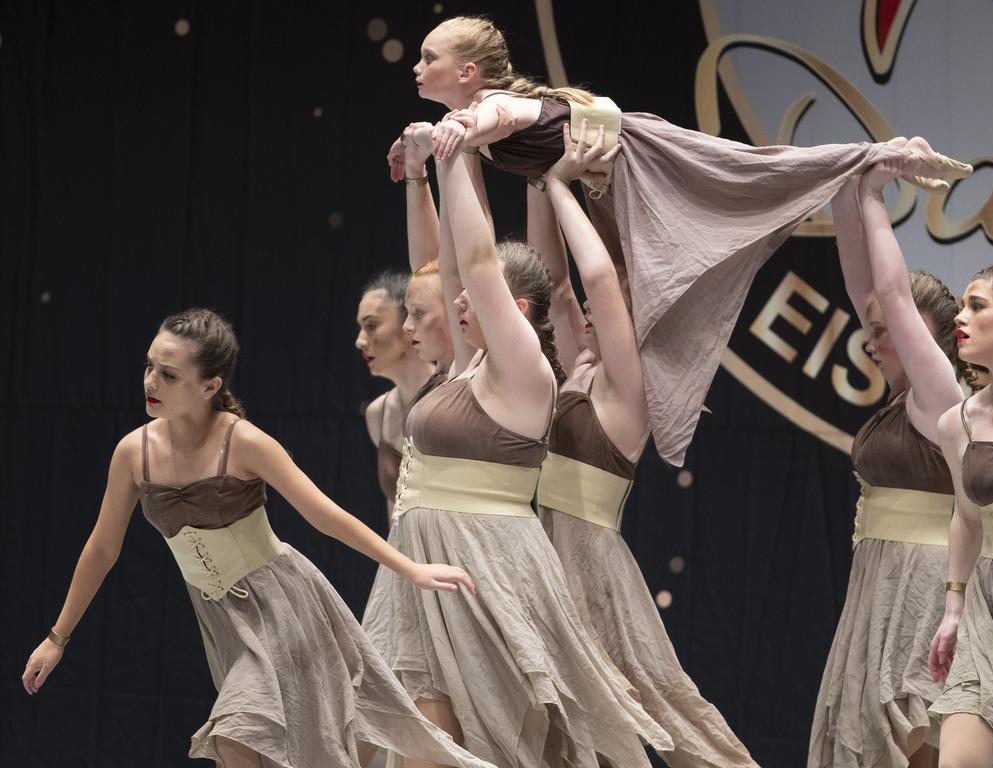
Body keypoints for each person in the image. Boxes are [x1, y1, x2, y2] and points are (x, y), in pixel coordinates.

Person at [405, 15, 972, 467]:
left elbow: (508, 120)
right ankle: (861, 168)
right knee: (724, 192)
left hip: (637, 155)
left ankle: (869, 157)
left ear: (469, 72)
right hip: (604, 177)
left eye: (430, 56)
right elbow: (552, 283)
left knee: (748, 173)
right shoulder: (575, 366)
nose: (417, 65)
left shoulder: (496, 109)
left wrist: (469, 132)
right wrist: (442, 162)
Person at [22, 308, 495, 768]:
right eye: (149, 366)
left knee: (234, 731)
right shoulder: (133, 452)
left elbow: (324, 514)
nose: (150, 381)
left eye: (168, 374)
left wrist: (409, 567)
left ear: (210, 386)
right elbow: (102, 549)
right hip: (222, 621)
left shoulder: (243, 442)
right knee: (256, 749)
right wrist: (57, 638)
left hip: (283, 608)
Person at [362, 145, 672, 767]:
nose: (451, 305)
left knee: (520, 740)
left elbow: (513, 271)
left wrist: (495, 164)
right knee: (423, 734)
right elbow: (447, 263)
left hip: (506, 557)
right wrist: (436, 168)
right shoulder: (467, 365)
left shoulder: (537, 375)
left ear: (513, 312)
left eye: (475, 300)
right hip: (436, 560)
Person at [534, 121, 760, 768]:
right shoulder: (577, 371)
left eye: (614, 309)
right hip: (540, 556)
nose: (590, 310)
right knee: (562, 729)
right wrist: (535, 176)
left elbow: (598, 281)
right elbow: (555, 287)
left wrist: (558, 183)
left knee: (653, 707)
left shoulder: (625, 393)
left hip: (589, 566)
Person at [808, 152, 967, 768]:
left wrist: (874, 193)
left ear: (930, 335)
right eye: (871, 332)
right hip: (880, 577)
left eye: (890, 332)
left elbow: (893, 297)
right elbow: (867, 288)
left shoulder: (941, 397)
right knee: (875, 738)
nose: (875, 342)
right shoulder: (907, 400)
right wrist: (846, 189)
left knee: (910, 728)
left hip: (922, 579)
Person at [928, 265, 993, 768]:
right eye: (960, 307)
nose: (960, 318)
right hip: (992, 606)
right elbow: (966, 519)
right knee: (962, 755)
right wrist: (953, 609)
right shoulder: (957, 423)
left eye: (977, 305)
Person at [357, 270, 437, 520]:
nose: (360, 341)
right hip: (406, 554)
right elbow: (395, 508)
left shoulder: (453, 395)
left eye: (371, 326)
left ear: (409, 324)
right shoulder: (377, 414)